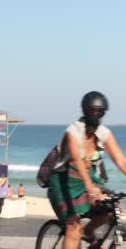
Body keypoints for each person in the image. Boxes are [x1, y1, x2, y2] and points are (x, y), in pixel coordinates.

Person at [47, 91, 126, 249]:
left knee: (111, 211)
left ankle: (89, 232)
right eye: (92, 110)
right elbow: (77, 158)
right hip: (63, 182)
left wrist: (92, 186)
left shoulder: (103, 133)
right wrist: (90, 186)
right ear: (84, 110)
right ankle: (78, 233)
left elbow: (120, 160)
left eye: (100, 111)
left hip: (87, 180)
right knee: (74, 227)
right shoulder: (73, 131)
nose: (96, 114)